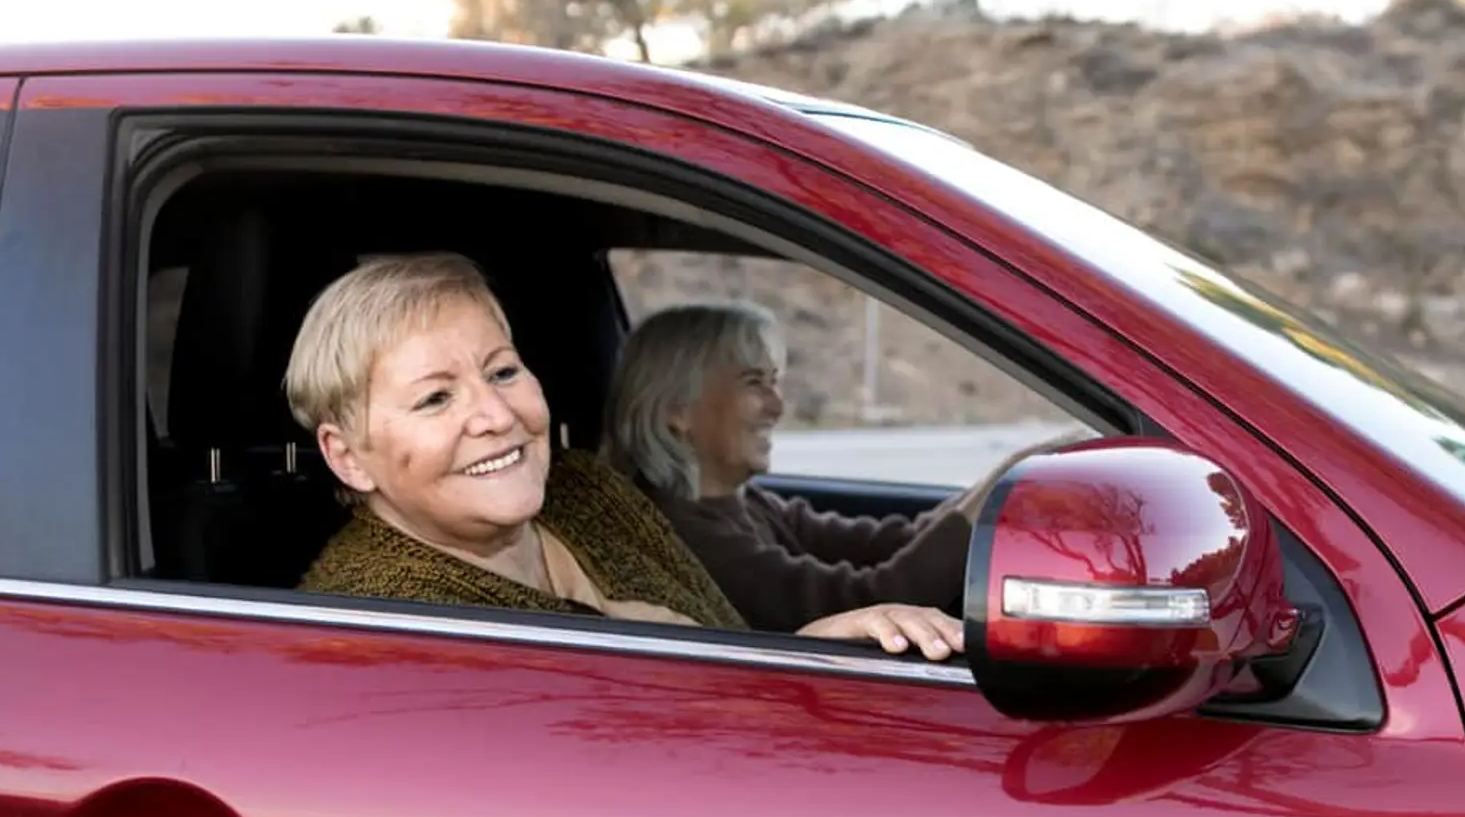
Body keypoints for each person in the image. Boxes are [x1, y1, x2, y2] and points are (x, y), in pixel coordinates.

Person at [283, 252, 963, 661]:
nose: (495, 415)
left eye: (502, 372)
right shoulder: (377, 623)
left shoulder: (584, 489)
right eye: (435, 399)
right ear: (348, 458)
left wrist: (812, 649)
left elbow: (720, 654)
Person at [602, 300, 1086, 635]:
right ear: (677, 410)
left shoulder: (747, 505)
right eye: (754, 383)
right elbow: (868, 600)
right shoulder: (684, 536)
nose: (777, 406)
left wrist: (1013, 472)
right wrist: (1014, 481)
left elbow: (895, 542)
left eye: (775, 382)